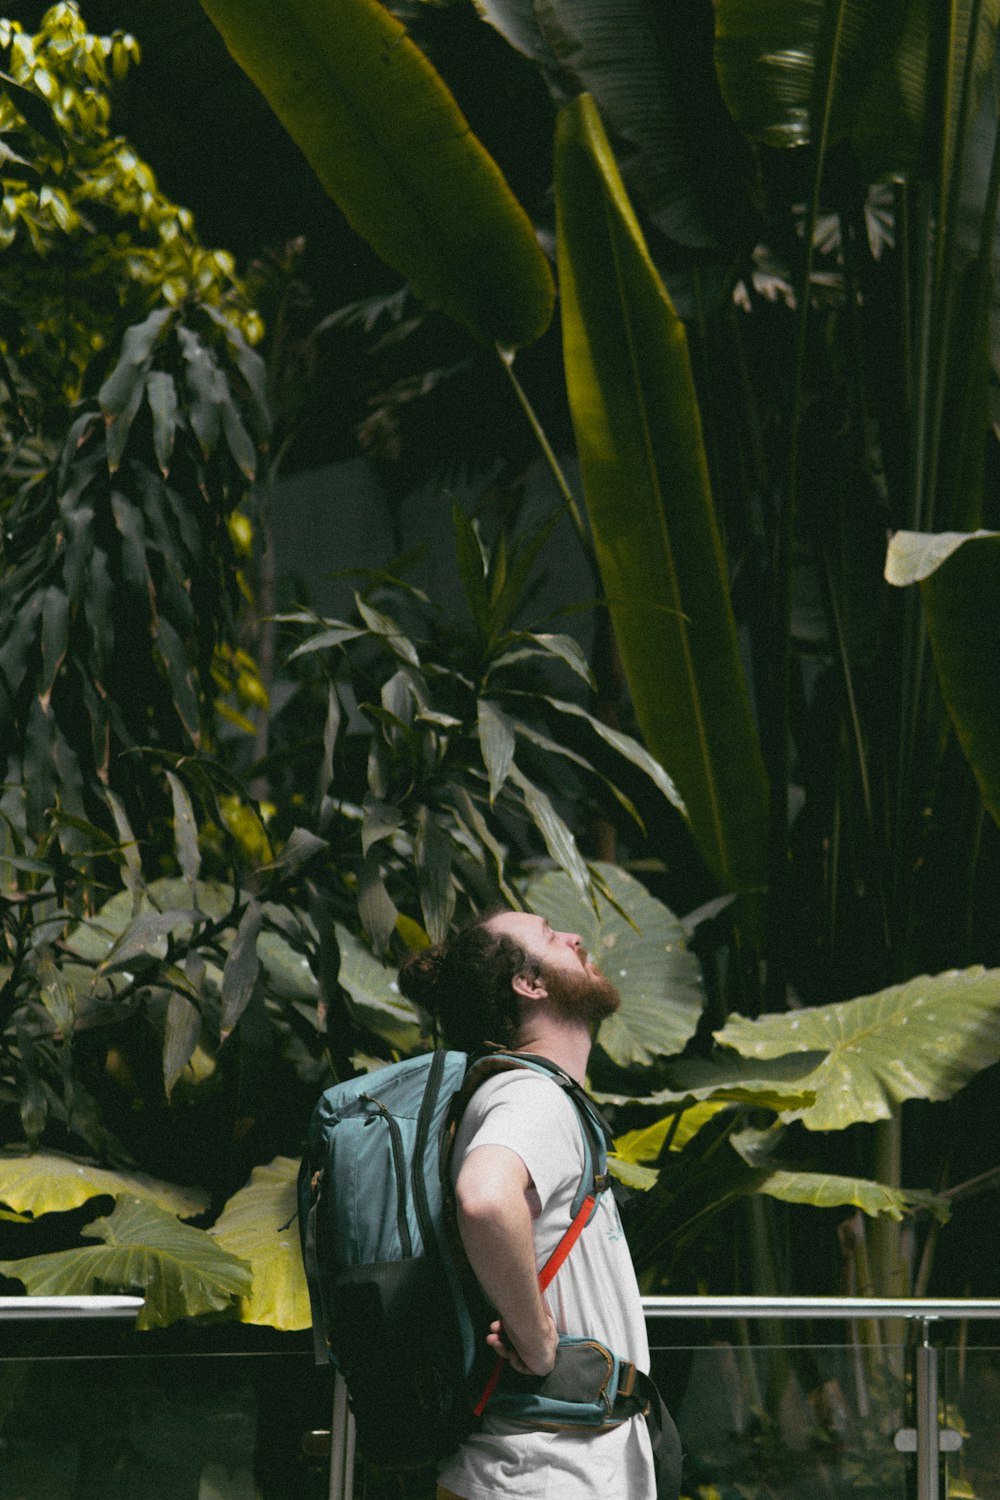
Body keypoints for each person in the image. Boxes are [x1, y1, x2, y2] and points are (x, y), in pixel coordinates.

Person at [398, 908, 681, 1500]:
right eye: (552, 937)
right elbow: (485, 1198)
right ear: (528, 984)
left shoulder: (517, 1094)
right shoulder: (533, 1097)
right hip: (544, 1473)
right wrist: (536, 1338)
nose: (576, 937)